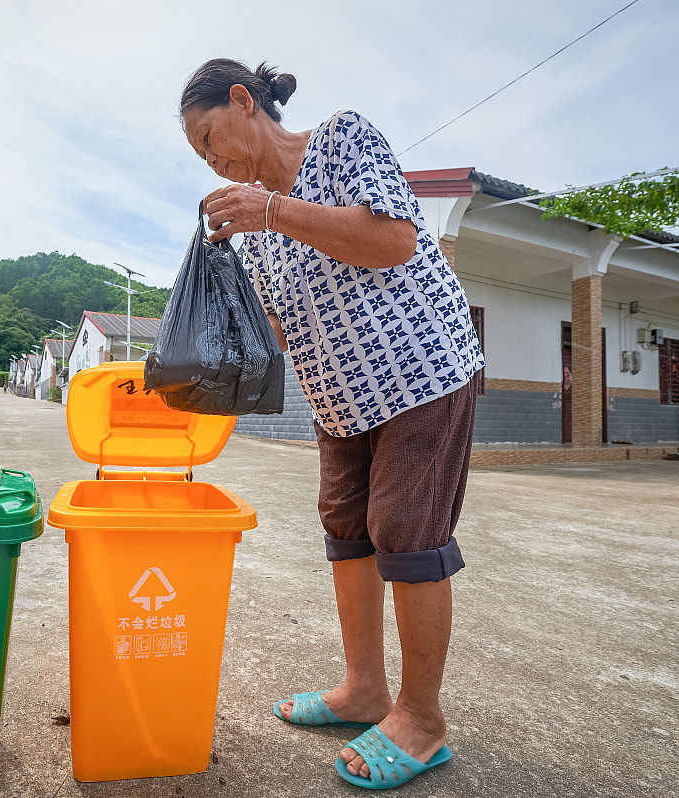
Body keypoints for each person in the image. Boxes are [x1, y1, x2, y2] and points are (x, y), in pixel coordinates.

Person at [179, 59, 484, 790]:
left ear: (245, 102)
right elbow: (278, 326)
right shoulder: (257, 230)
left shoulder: (341, 140)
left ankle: (422, 718)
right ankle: (364, 690)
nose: (210, 157)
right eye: (199, 154)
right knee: (346, 534)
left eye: (210, 136)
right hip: (339, 400)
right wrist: (205, 357)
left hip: (420, 373)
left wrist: (274, 212)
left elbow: (393, 240)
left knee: (407, 533)